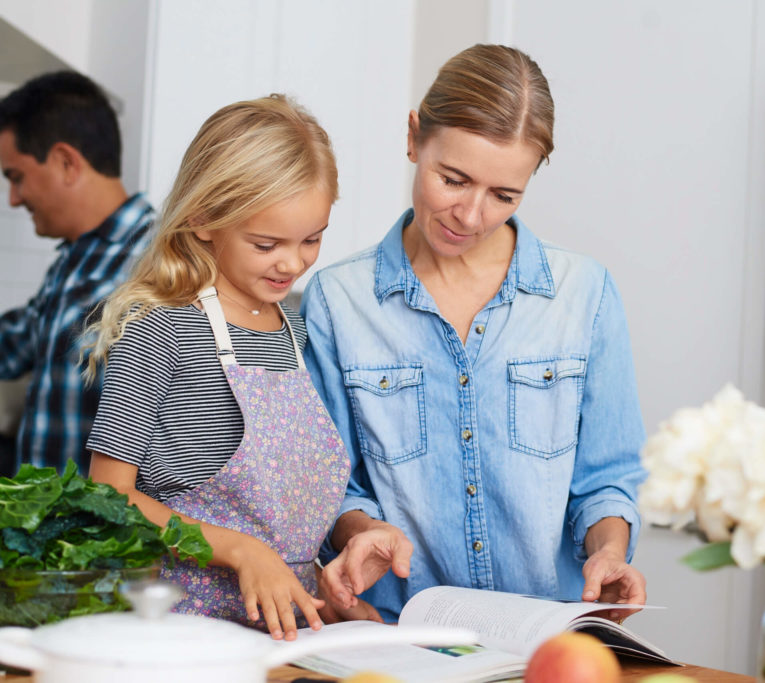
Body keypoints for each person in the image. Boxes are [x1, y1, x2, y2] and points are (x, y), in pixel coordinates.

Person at [305, 44, 649, 624]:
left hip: (550, 640)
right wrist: (363, 533)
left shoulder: (583, 293)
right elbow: (335, 485)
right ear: (415, 138)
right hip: (398, 639)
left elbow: (607, 480)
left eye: (503, 195)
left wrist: (609, 553)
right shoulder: (340, 301)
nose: (469, 215)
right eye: (453, 179)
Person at [85, 94, 365, 639]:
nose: (293, 262)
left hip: (283, 630)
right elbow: (107, 497)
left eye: (312, 239)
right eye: (266, 244)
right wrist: (240, 551)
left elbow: (288, 505)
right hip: (179, 626)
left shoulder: (296, 329)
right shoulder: (161, 328)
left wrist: (329, 588)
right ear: (204, 218)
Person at [0, 70, 155, 475]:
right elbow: (17, 342)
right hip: (43, 527)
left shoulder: (159, 261)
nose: (14, 199)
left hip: (102, 534)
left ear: (66, 162)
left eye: (16, 178)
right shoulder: (73, 258)